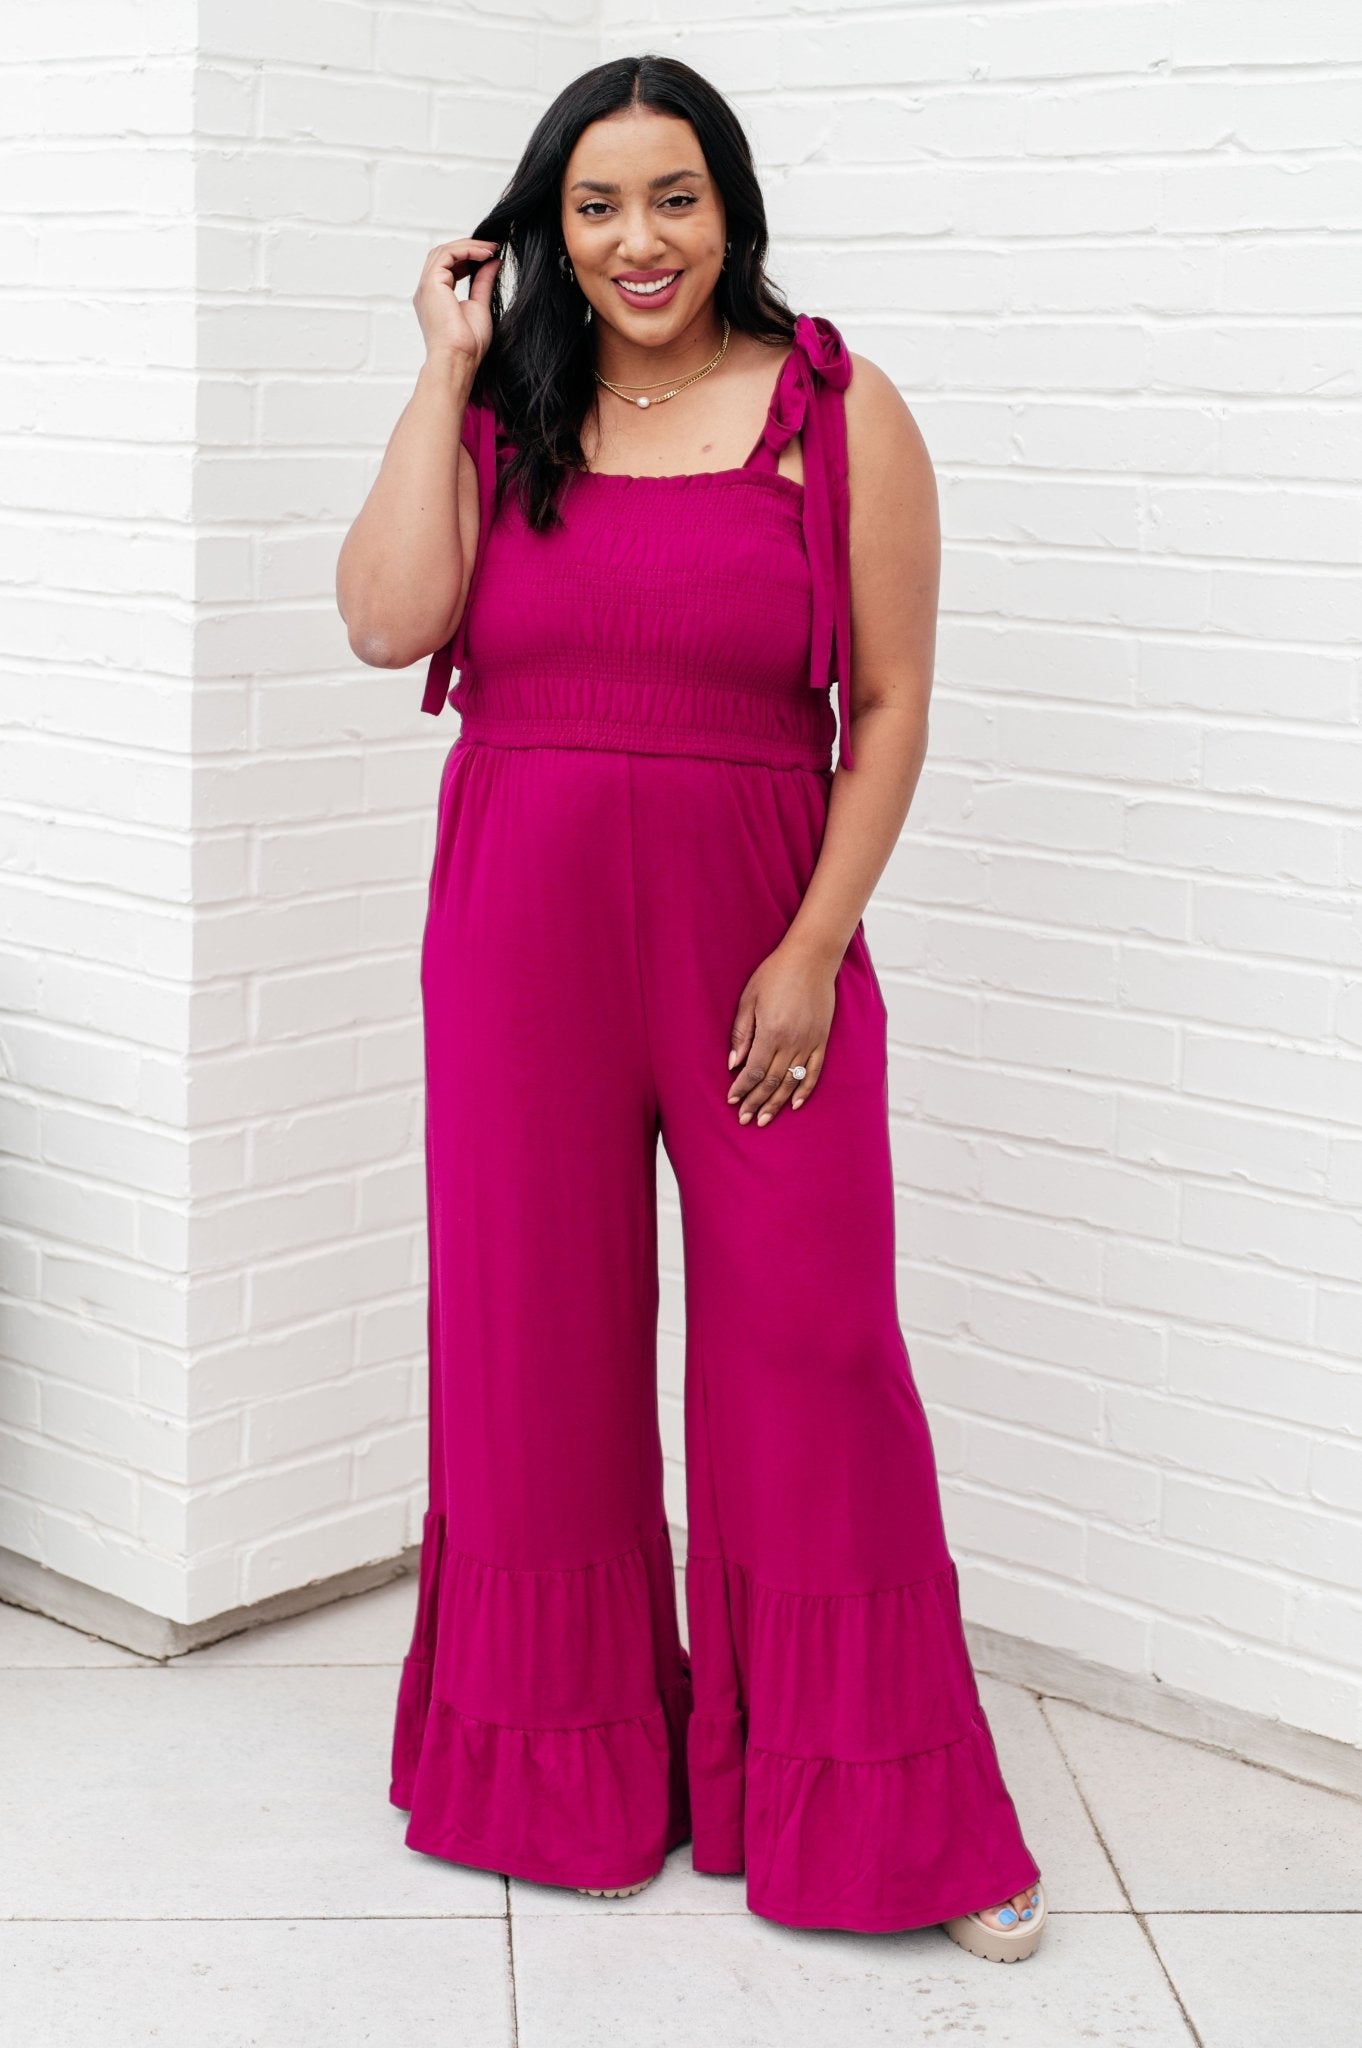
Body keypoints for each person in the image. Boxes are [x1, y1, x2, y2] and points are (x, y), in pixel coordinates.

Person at [336, 53, 1046, 1961]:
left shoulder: (835, 407)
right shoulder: (509, 409)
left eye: (673, 197)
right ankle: (556, 1778)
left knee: (812, 1356)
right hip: (520, 942)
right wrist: (443, 368)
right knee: (531, 1349)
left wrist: (812, 948)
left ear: (729, 207)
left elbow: (885, 702)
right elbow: (388, 622)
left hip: (759, 941)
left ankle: (893, 1809)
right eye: (594, 206)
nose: (636, 240)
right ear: (542, 229)